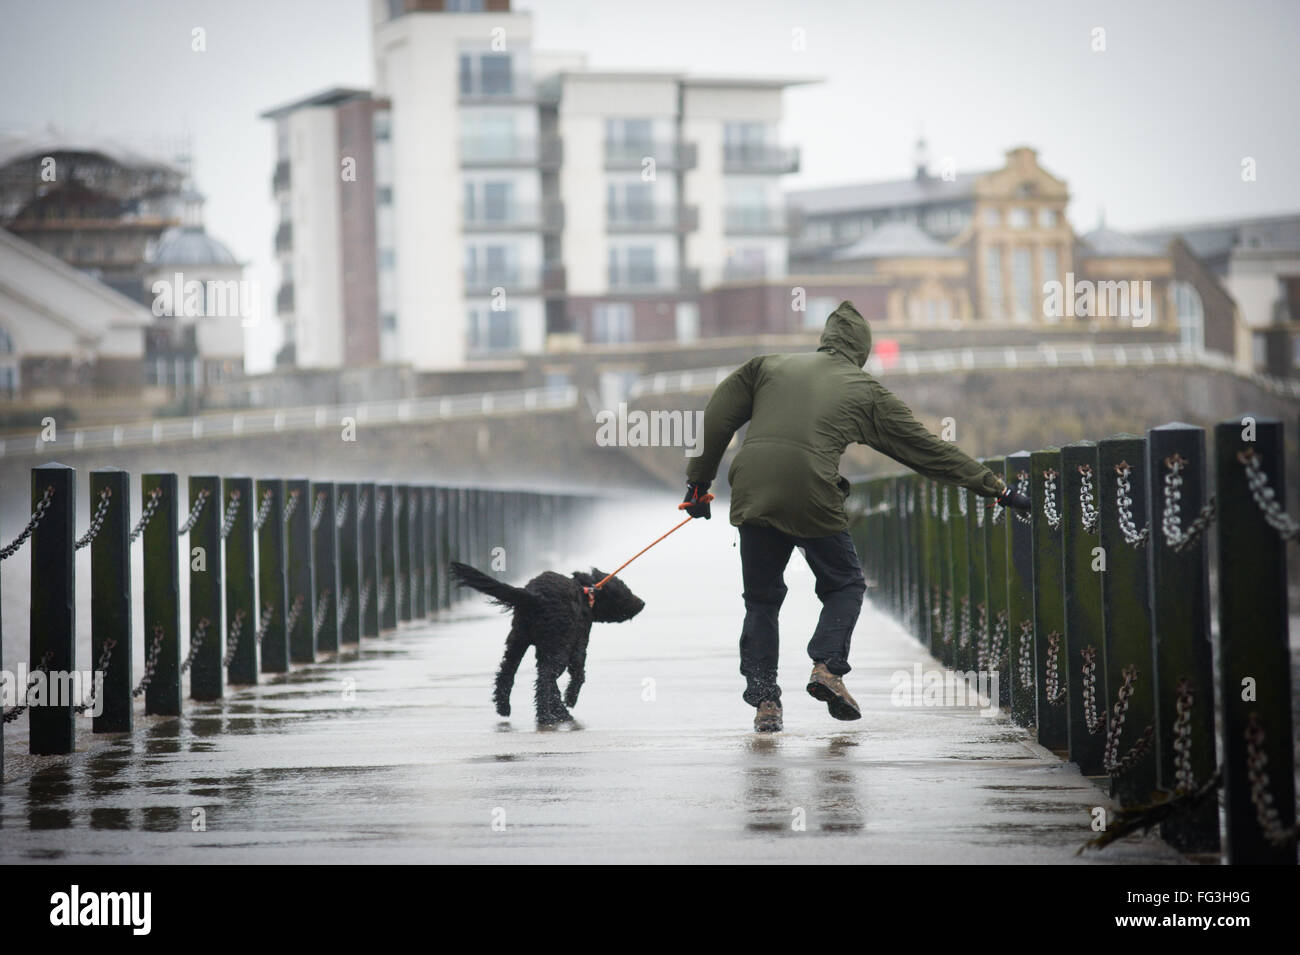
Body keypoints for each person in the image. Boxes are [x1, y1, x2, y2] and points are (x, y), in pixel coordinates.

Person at [681, 300, 1030, 732]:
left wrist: (697, 486)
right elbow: (927, 451)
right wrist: (996, 488)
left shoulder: (767, 366)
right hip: (811, 492)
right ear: (860, 350)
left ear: (825, 341)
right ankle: (827, 667)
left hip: (752, 489)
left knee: (762, 600)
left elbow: (717, 417)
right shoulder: (865, 390)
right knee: (845, 583)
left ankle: (765, 701)